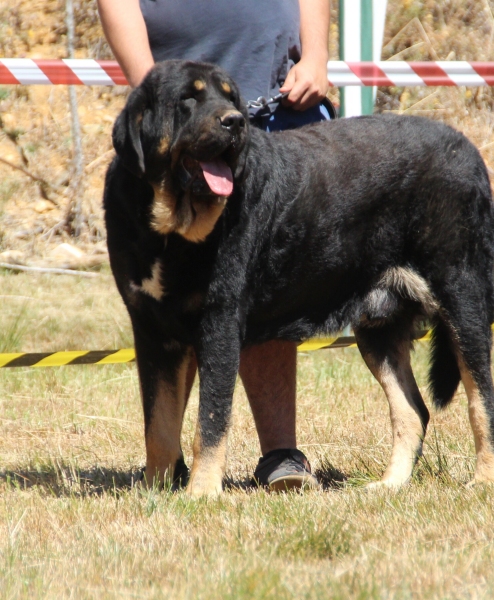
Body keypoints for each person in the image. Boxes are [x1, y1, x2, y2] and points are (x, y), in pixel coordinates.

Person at [97, 0, 332, 490]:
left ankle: (279, 456)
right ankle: (164, 463)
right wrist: (156, 96)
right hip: (172, 104)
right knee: (166, 314)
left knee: (254, 295)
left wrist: (316, 55)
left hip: (273, 102)